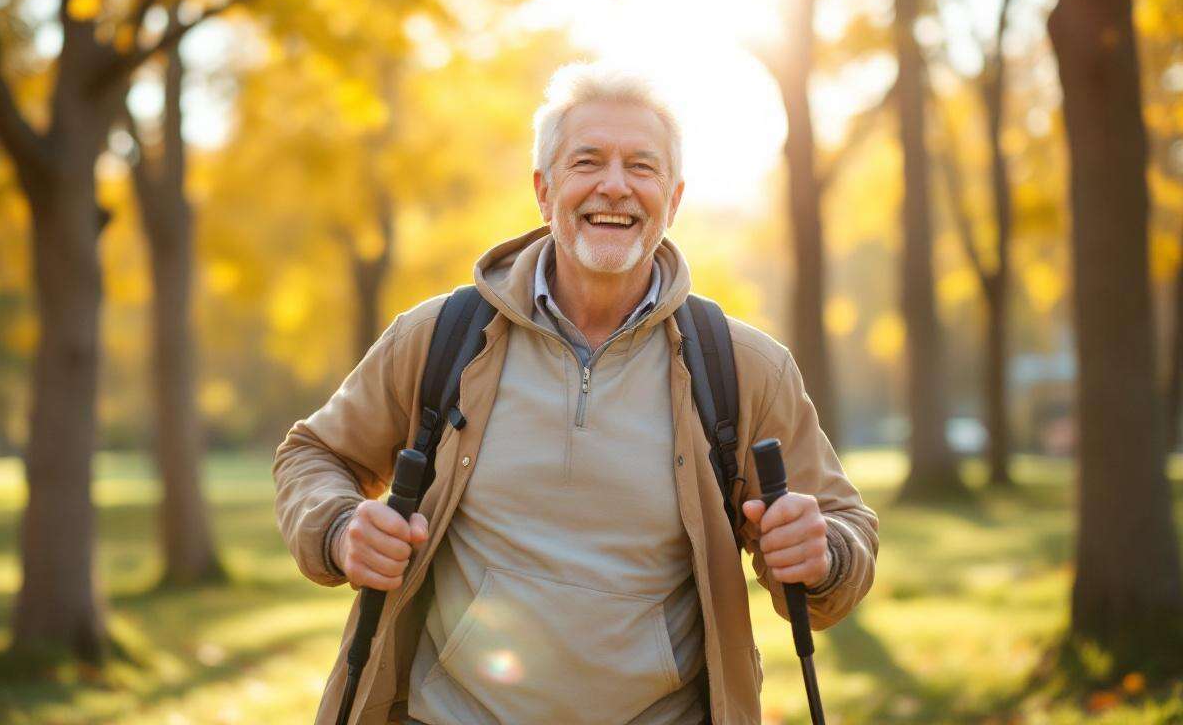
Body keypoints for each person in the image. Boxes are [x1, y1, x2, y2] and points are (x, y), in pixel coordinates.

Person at [274, 61, 879, 725]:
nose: (614, 187)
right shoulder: (439, 337)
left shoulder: (742, 366)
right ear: (544, 189)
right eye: (588, 161)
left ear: (672, 200)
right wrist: (337, 529)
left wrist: (823, 557)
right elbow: (313, 455)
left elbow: (845, 527)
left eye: (642, 167)